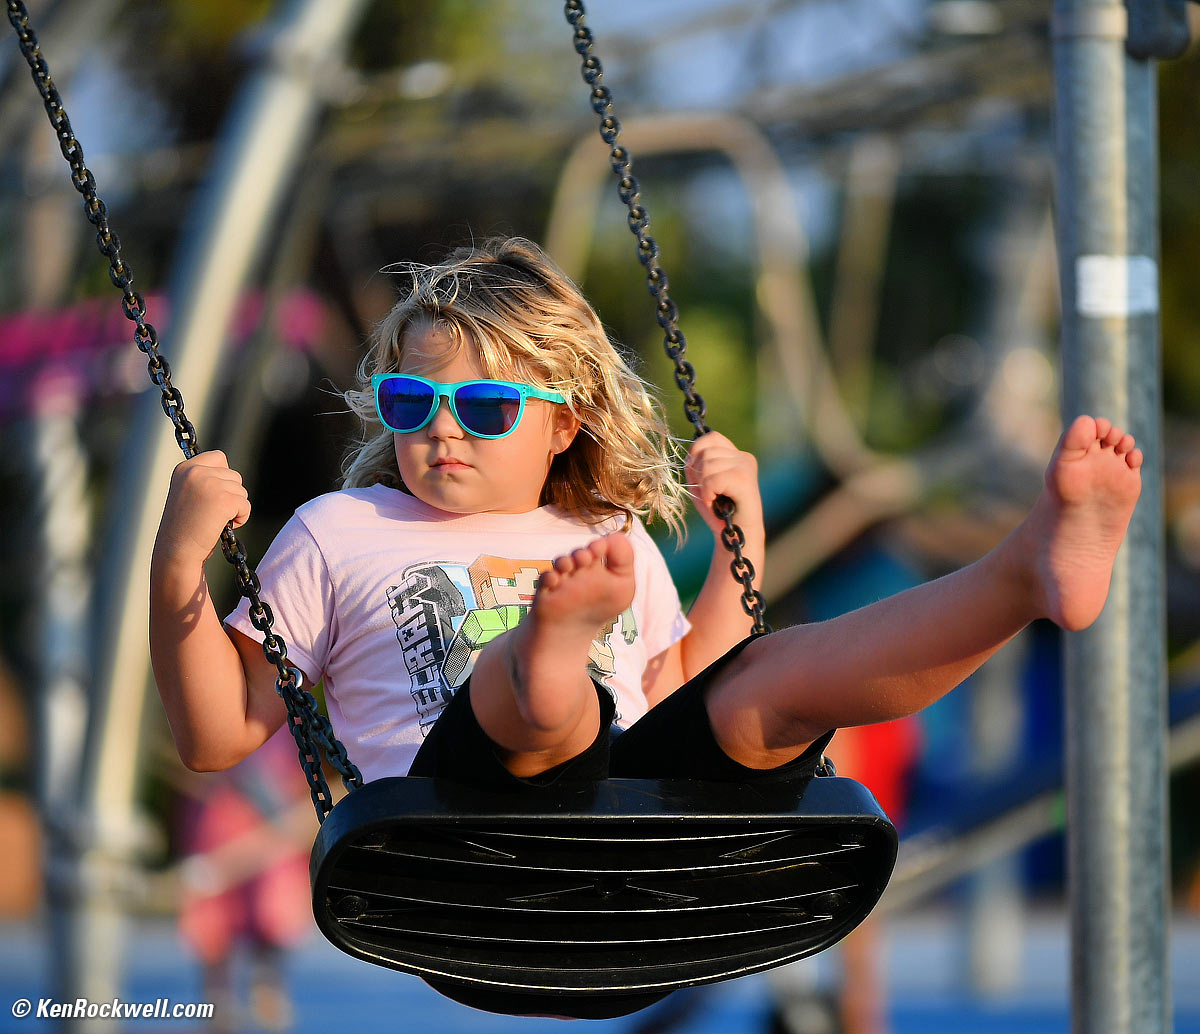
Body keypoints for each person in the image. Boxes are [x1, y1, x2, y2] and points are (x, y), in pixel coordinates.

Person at [149, 236, 1143, 822]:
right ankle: (550, 650)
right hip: (454, 833)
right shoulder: (342, 529)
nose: (442, 426)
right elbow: (218, 731)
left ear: (563, 422)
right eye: (411, 399)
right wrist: (179, 561)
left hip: (634, 828)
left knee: (778, 676)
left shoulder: (601, 533)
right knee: (522, 683)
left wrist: (733, 539)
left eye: (487, 405)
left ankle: (1022, 573)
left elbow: (676, 685)